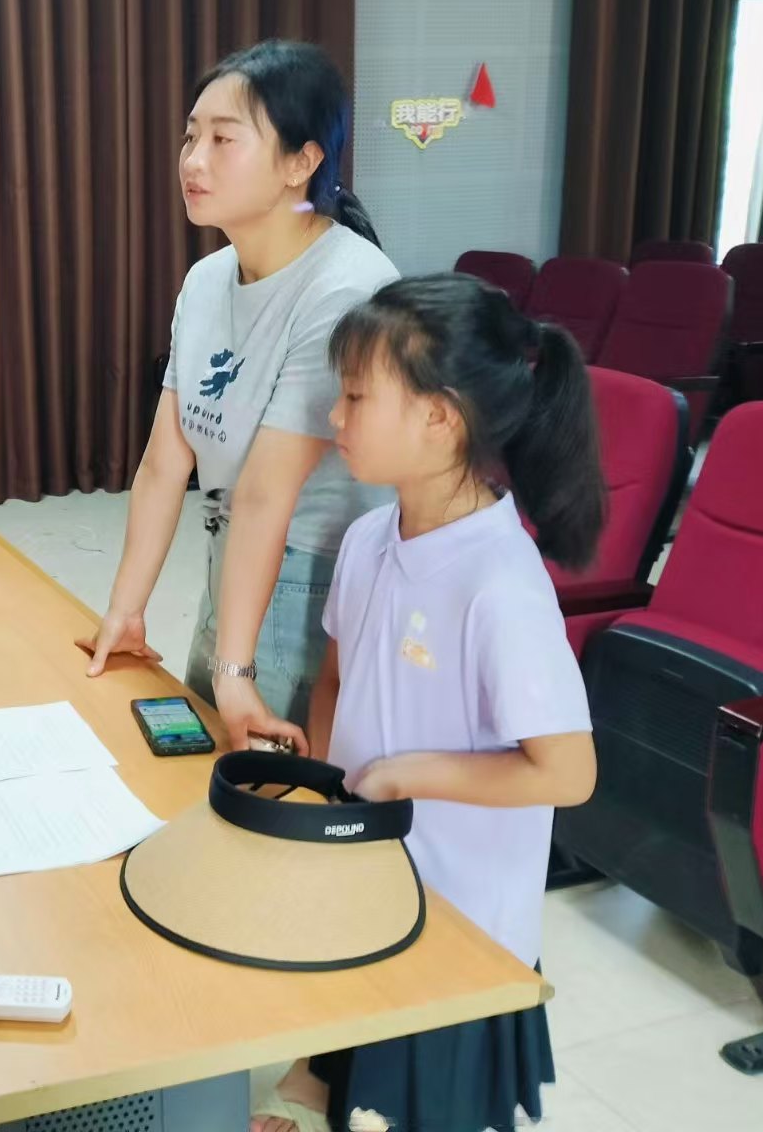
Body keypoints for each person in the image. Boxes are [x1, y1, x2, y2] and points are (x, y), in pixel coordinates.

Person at [252, 275, 603, 1132]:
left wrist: (407, 775)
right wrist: (326, 791)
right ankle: (317, 1079)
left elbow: (569, 773)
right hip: (375, 875)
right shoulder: (369, 538)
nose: (335, 415)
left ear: (440, 418)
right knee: (345, 1028)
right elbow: (336, 681)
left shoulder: (500, 585)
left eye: (357, 397)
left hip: (458, 916)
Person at [82, 40, 398, 752]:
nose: (193, 161)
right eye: (190, 136)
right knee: (201, 772)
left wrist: (234, 668)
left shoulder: (346, 290)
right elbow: (164, 464)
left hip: (313, 584)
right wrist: (126, 609)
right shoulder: (206, 281)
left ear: (300, 163)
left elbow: (265, 495)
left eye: (224, 140)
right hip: (235, 561)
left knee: (271, 790)